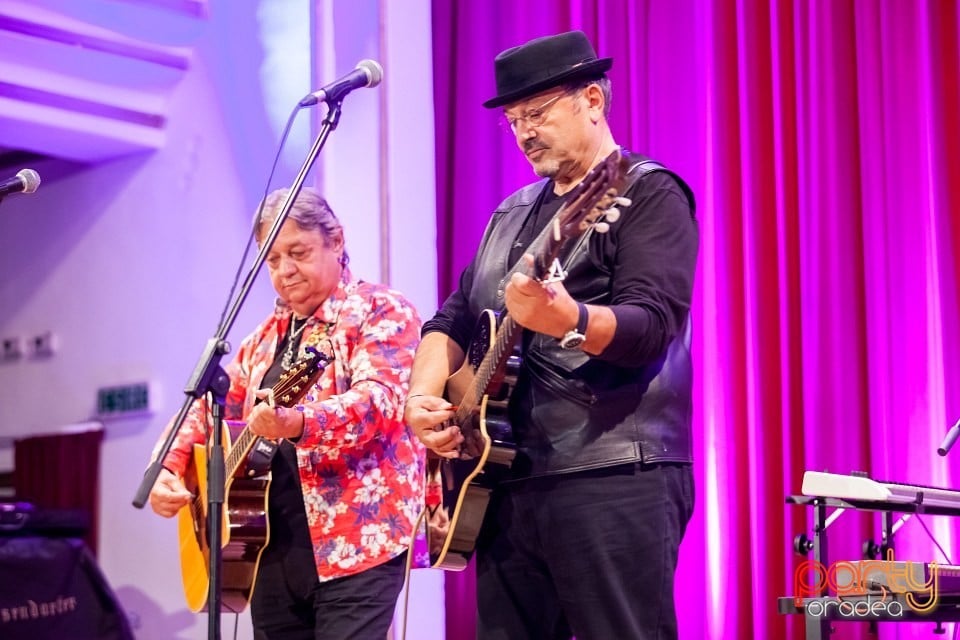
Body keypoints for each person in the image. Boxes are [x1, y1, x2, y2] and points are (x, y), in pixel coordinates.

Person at [404, 30, 698, 639]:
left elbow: (651, 326)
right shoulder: (509, 214)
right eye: (513, 119)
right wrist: (422, 399)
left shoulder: (644, 192)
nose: (523, 132)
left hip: (614, 473)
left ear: (592, 100)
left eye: (537, 113)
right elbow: (452, 318)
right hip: (505, 481)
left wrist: (571, 319)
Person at [148, 187, 424, 639]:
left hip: (355, 542)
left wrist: (299, 422)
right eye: (272, 260)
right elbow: (206, 408)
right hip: (268, 551)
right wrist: (168, 465)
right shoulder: (262, 339)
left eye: (297, 253)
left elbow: (380, 401)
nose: (284, 271)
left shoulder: (379, 310)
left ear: (336, 240)